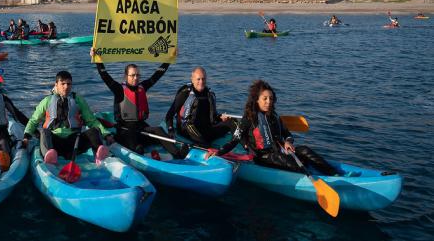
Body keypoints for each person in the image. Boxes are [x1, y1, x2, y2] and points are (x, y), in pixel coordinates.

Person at [217, 80, 350, 176]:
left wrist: (287, 142)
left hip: (280, 152)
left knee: (304, 149)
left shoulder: (274, 117)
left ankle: (333, 173)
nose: (268, 102)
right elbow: (235, 140)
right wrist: (218, 153)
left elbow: (287, 134)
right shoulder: (248, 119)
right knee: (282, 159)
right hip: (262, 158)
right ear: (256, 100)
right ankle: (310, 175)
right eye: (265, 99)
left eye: (270, 98)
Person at [91, 48, 187, 159]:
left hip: (141, 127)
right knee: (138, 148)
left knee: (158, 130)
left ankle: (178, 154)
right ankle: (139, 151)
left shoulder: (142, 87)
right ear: (126, 76)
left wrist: (169, 59)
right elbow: (104, 76)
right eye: (132, 75)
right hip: (125, 130)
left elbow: (157, 75)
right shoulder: (118, 89)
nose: (136, 78)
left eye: (137, 75)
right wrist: (97, 59)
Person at [22, 70, 112, 165]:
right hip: (55, 143)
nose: (66, 87)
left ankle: (99, 156)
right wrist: (26, 136)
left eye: (69, 84)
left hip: (74, 142)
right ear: (56, 84)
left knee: (94, 131)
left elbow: (91, 120)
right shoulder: (47, 101)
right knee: (43, 132)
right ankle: (50, 157)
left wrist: (106, 134)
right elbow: (33, 121)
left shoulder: (78, 100)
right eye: (63, 84)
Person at [165, 67, 234, 146]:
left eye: (203, 79)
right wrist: (170, 129)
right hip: (188, 129)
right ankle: (206, 148)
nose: (201, 82)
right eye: (198, 79)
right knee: (201, 138)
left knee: (232, 122)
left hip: (205, 129)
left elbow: (212, 117)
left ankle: (245, 147)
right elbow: (169, 115)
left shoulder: (209, 94)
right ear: (192, 79)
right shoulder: (184, 94)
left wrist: (220, 118)